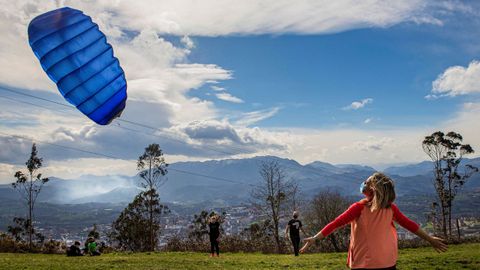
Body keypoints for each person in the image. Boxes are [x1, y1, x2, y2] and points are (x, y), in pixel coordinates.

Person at [300, 172, 447, 270]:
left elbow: (335, 223)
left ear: (371, 189)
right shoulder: (391, 209)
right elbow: (411, 225)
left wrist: (315, 238)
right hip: (388, 262)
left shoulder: (359, 208)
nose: (363, 184)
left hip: (364, 264)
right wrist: (430, 239)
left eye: (366, 182)